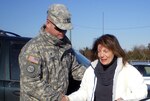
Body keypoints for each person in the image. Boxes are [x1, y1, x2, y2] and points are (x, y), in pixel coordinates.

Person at [18, 4, 86, 101]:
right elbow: (31, 83)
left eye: (65, 29)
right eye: (59, 28)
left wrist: (95, 74)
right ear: (48, 23)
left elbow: (75, 69)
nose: (62, 32)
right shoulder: (34, 48)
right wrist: (59, 98)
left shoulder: (66, 47)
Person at [64, 34, 148, 101]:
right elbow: (83, 92)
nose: (101, 55)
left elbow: (142, 91)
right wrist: (69, 98)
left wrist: (125, 99)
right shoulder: (91, 70)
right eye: (99, 51)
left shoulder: (127, 70)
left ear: (114, 51)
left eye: (105, 51)